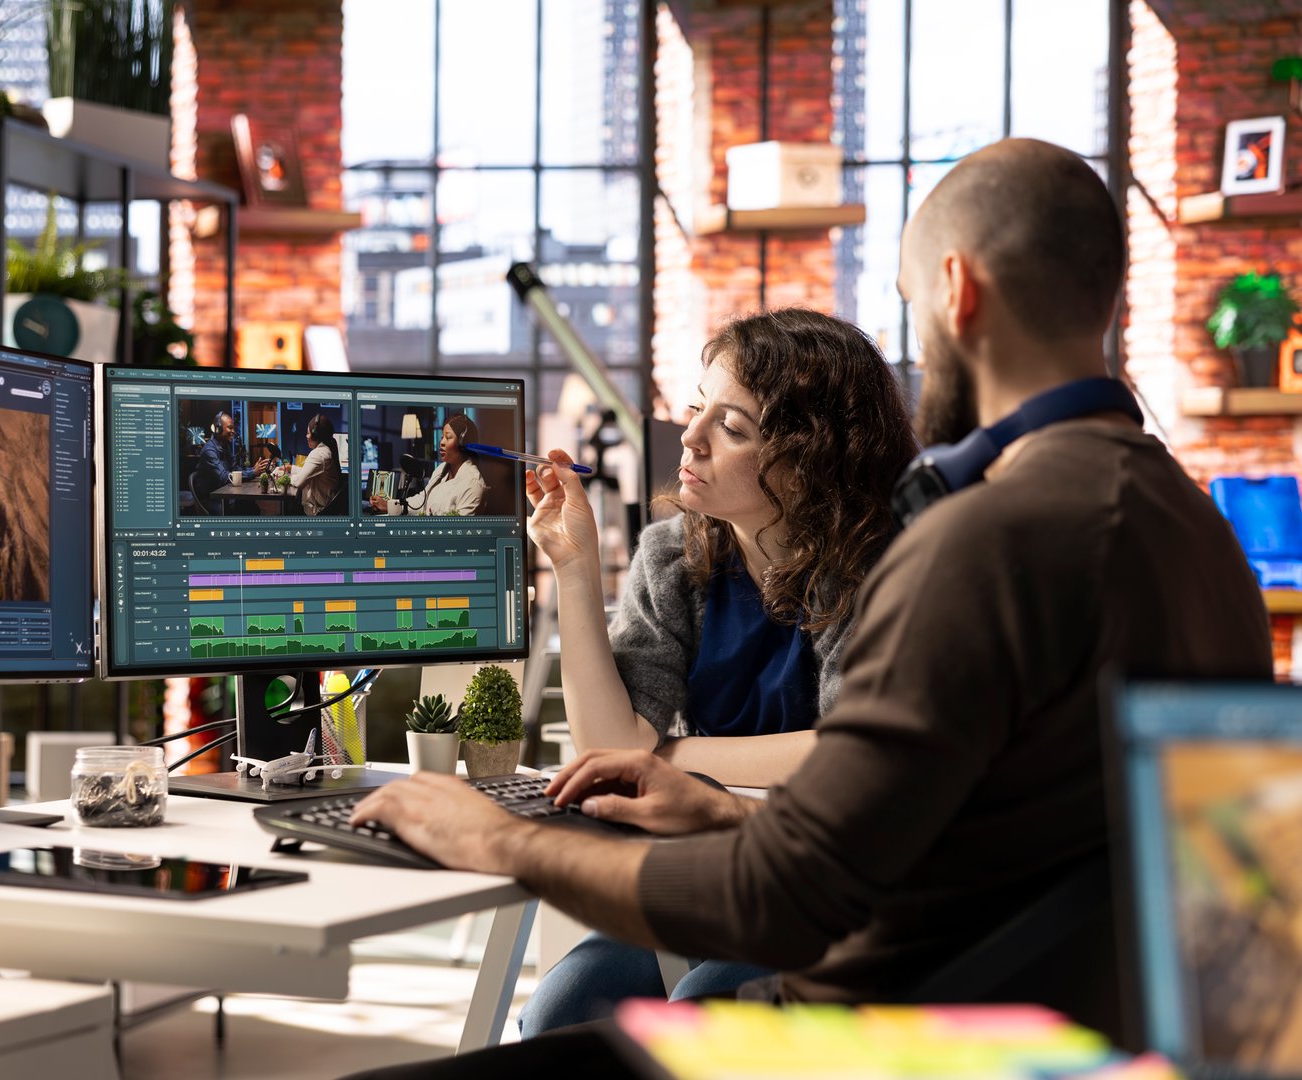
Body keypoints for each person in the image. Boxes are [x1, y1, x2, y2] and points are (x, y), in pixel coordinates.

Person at [338, 138, 1273, 1077]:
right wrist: (723, 818)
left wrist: (497, 838)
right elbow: (977, 849)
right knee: (577, 1002)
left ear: (956, 290)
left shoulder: (983, 541)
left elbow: (780, 898)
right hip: (1073, 1028)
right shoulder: (1194, 530)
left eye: (911, 303)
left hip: (882, 1039)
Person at [518, 308, 917, 1035]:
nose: (690, 437)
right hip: (711, 871)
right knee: (559, 1015)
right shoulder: (672, 557)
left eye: (732, 428)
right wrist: (573, 567)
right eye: (697, 408)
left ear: (812, 458)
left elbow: (850, 757)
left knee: (701, 1015)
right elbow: (611, 745)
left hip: (835, 888)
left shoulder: (879, 568)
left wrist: (673, 758)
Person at [369, 413, 488, 516]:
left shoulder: (472, 483)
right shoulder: (441, 469)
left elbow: (460, 530)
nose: (441, 442)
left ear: (464, 443)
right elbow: (422, 501)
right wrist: (389, 505)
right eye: (442, 437)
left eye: (448, 437)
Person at [193, 410, 269, 514]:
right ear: (218, 429)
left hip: (225, 492)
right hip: (212, 498)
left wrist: (254, 469)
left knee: (251, 505)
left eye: (233, 428)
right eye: (230, 427)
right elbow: (224, 477)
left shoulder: (225, 446)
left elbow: (235, 469)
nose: (233, 431)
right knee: (247, 507)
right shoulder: (209, 451)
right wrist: (253, 473)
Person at [291, 412, 342, 516]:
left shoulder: (318, 454)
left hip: (317, 512)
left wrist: (288, 477)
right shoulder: (325, 450)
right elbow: (308, 473)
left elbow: (298, 482)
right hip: (326, 511)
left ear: (315, 435)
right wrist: (290, 468)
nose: (306, 436)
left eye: (308, 432)